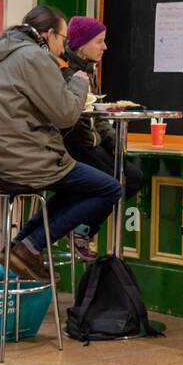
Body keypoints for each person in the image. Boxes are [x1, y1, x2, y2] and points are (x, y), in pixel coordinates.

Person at [0, 5, 122, 281]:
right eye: (62, 39)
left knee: (76, 186)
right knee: (110, 187)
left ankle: (20, 246)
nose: (62, 48)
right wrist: (80, 82)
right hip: (21, 158)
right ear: (48, 34)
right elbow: (65, 115)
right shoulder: (34, 56)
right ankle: (30, 246)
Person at [58, 16, 139, 260]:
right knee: (124, 180)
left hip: (90, 142)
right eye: (99, 42)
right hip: (74, 146)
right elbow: (69, 117)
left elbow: (99, 115)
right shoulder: (65, 72)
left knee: (132, 175)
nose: (105, 47)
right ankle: (79, 228)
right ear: (81, 45)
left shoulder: (88, 70)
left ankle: (77, 225)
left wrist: (113, 142)